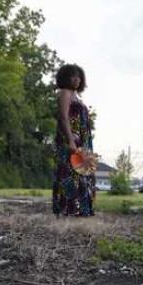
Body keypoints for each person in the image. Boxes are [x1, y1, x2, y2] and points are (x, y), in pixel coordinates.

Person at [52, 63, 95, 217]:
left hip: (82, 139)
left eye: (79, 76)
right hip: (71, 139)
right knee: (69, 174)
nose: (76, 79)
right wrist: (70, 140)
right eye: (73, 76)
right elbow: (63, 117)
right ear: (66, 77)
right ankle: (67, 209)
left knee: (82, 173)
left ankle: (81, 209)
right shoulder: (65, 93)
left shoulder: (77, 96)